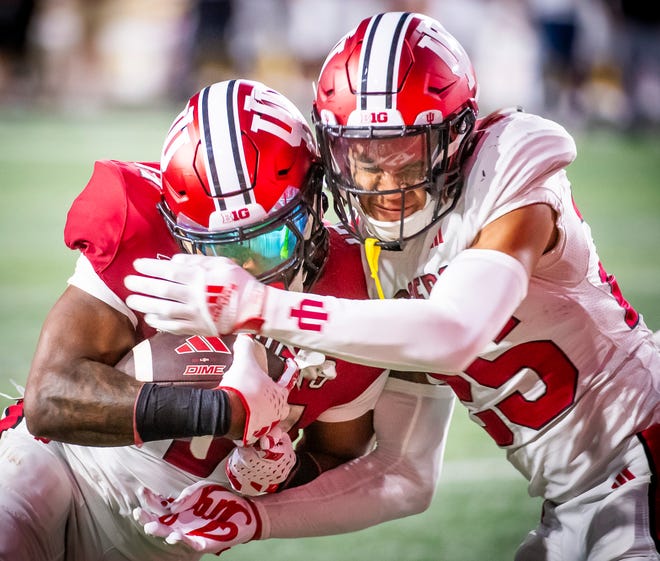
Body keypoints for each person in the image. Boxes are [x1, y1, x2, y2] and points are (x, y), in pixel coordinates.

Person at [125, 12, 660, 560]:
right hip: (574, 498)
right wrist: (257, 516)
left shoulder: (506, 165)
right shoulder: (378, 257)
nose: (384, 179)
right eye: (363, 155)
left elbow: (456, 331)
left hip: (645, 451)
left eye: (406, 150)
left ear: (453, 137)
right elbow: (405, 472)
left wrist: (258, 305)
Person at [0, 79, 455, 560]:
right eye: (220, 248)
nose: (246, 269)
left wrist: (283, 472)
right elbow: (49, 399)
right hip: (60, 469)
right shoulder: (141, 229)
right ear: (178, 227)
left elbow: (339, 455)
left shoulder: (358, 291)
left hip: (165, 543)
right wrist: (224, 410)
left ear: (314, 203)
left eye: (266, 242)